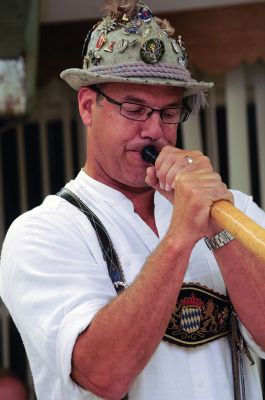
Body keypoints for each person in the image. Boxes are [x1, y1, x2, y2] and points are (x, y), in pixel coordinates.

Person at [0, 1, 265, 399]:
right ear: (89, 107)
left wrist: (217, 230)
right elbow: (104, 374)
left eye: (169, 113)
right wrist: (180, 236)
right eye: (135, 109)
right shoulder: (42, 232)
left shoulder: (228, 209)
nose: (155, 131)